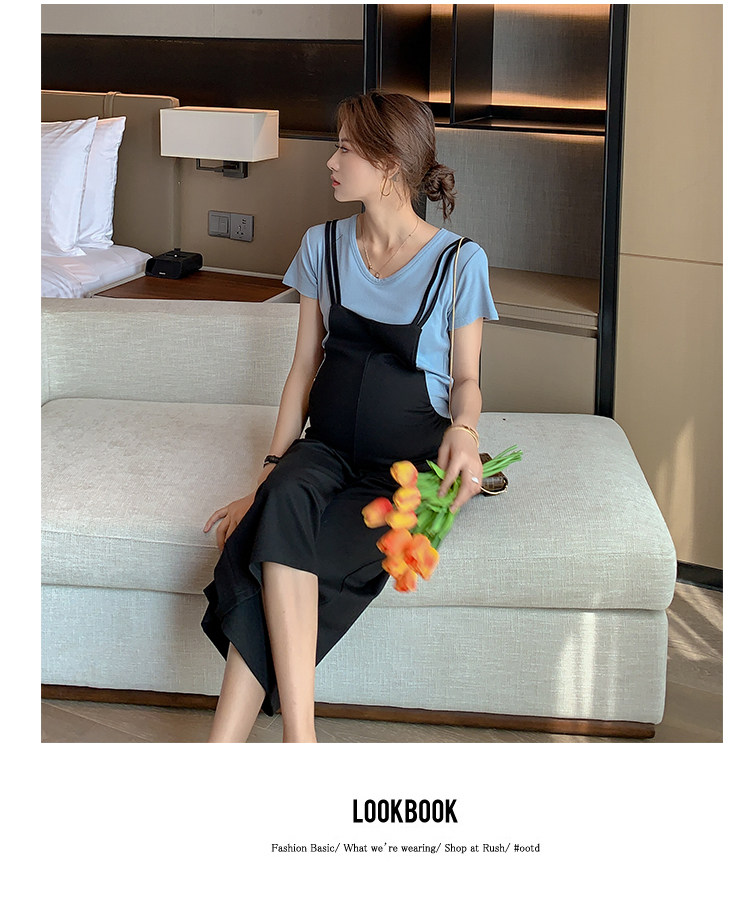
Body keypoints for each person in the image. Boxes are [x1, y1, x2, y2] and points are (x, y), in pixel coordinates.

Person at [201, 91, 498, 743]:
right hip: (325, 450)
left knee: (274, 554)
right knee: (280, 504)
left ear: (389, 164)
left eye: (344, 149)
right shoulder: (322, 245)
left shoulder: (459, 262)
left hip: (405, 470)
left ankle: (237, 750)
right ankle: (297, 742)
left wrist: (465, 431)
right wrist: (267, 474)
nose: (330, 162)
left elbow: (468, 380)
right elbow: (303, 368)